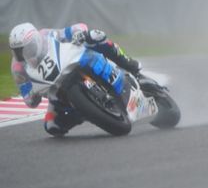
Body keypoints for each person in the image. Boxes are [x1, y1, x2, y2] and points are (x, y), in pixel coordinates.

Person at [9, 22, 142, 137]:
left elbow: (74, 29)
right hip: (55, 89)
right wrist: (32, 94)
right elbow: (29, 101)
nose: (24, 54)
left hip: (71, 61)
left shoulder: (45, 35)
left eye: (27, 48)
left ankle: (129, 63)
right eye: (18, 52)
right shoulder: (17, 67)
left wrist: (79, 34)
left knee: (96, 36)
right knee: (52, 126)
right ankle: (86, 111)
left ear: (36, 40)